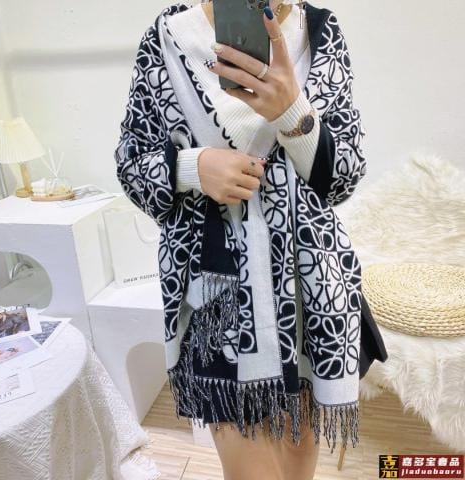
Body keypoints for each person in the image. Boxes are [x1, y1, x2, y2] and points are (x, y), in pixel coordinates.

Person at [114, 1, 388, 478]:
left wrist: (292, 111)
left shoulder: (319, 33)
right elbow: (131, 162)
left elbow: (342, 176)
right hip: (216, 296)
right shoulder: (170, 37)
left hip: (310, 290)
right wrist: (193, 168)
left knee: (299, 457)